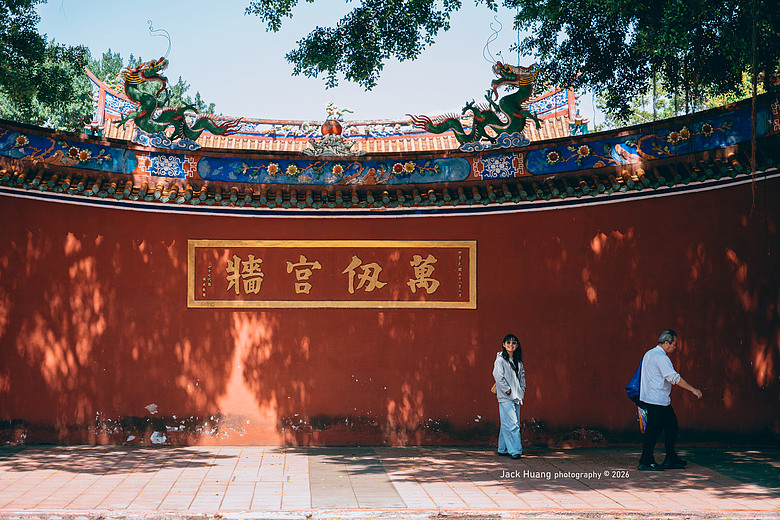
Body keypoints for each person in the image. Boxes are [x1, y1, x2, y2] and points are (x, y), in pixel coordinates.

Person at [638, 329, 703, 471]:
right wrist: (692, 389)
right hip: (657, 400)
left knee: (671, 426)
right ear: (666, 343)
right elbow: (673, 377)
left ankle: (670, 458)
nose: (675, 347)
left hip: (656, 399)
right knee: (653, 431)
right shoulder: (661, 357)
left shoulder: (649, 353)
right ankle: (646, 461)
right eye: (674, 344)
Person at [493, 333, 526, 459]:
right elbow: (498, 377)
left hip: (517, 397)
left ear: (517, 345)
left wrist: (522, 389)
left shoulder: (518, 361)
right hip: (506, 397)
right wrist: (507, 391)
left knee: (507, 423)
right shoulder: (500, 360)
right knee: (513, 424)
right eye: (508, 342)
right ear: (503, 344)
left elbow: (522, 376)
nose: (511, 344)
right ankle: (515, 450)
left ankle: (502, 449)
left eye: (514, 342)